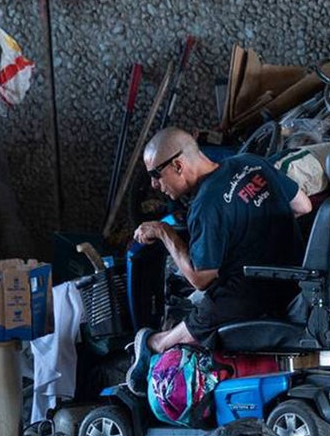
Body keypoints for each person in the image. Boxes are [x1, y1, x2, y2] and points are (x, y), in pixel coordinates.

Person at [127, 127, 312, 386]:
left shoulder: (206, 206)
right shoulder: (251, 163)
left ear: (178, 165)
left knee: (207, 308)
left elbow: (200, 279)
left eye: (155, 175)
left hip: (257, 295)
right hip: (297, 279)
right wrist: (255, 227)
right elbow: (303, 205)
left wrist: (163, 231)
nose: (154, 185)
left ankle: (155, 344)